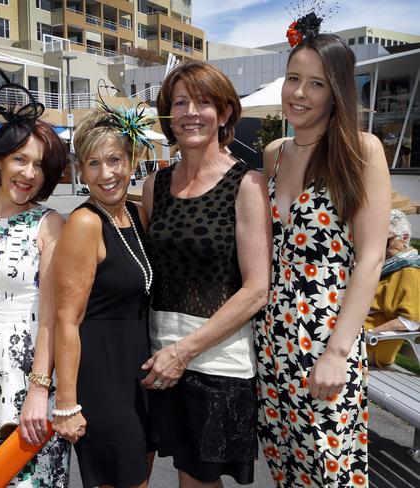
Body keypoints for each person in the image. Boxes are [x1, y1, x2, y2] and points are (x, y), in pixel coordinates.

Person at [255, 30, 390, 487]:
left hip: (327, 339)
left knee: (331, 471)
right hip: (272, 341)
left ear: (337, 92)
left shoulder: (361, 149)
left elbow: (371, 257)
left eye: (315, 83)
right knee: (286, 466)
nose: (299, 92)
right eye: (294, 78)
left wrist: (337, 352)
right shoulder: (273, 155)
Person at [141, 60, 271, 488]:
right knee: (184, 475)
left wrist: (185, 351)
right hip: (160, 357)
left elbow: (256, 289)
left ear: (225, 112)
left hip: (217, 362)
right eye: (180, 102)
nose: (190, 112)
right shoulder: (154, 185)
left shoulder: (246, 183)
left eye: (203, 102)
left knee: (198, 480)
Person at [0, 80, 70, 485]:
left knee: (30, 479)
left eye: (40, 165)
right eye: (21, 160)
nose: (29, 174)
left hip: (27, 374)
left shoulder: (49, 224)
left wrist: (39, 391)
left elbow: (54, 316)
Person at [53, 105, 155, 488]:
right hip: (102, 379)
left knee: (137, 478)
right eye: (93, 163)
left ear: (132, 159)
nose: (106, 174)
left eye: (114, 160)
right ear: (81, 170)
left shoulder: (138, 213)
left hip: (139, 374)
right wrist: (66, 403)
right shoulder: (84, 222)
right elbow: (67, 317)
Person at [365, 209, 419, 367]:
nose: (380, 246)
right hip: (358, 339)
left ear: (405, 238)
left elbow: (410, 322)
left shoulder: (410, 270)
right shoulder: (388, 265)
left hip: (374, 345)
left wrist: (369, 334)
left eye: (387, 241)